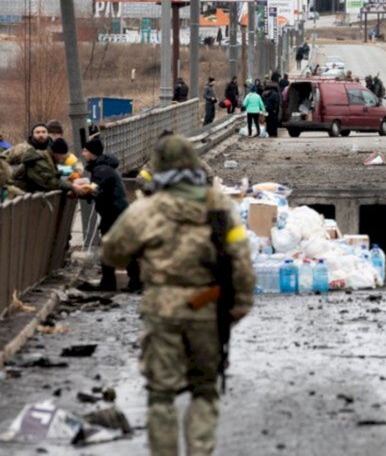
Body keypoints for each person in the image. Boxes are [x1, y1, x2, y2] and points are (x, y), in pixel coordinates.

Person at [101, 134, 254, 456]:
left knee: (161, 394)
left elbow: (112, 253)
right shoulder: (220, 206)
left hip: (162, 310)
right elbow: (241, 257)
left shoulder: (146, 209)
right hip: (208, 307)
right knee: (205, 390)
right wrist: (239, 305)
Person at [80, 137, 139, 292]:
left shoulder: (101, 170)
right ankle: (131, 280)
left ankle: (112, 282)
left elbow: (95, 190)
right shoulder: (104, 167)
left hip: (114, 212)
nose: (82, 153)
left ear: (92, 152)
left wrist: (80, 192)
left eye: (85, 150)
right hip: (116, 211)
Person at [11, 129, 89, 195]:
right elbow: (50, 182)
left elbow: (58, 174)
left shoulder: (51, 159)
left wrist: (73, 178)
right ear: (57, 153)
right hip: (18, 194)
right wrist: (72, 186)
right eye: (63, 156)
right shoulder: (40, 161)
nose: (64, 158)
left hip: (28, 196)